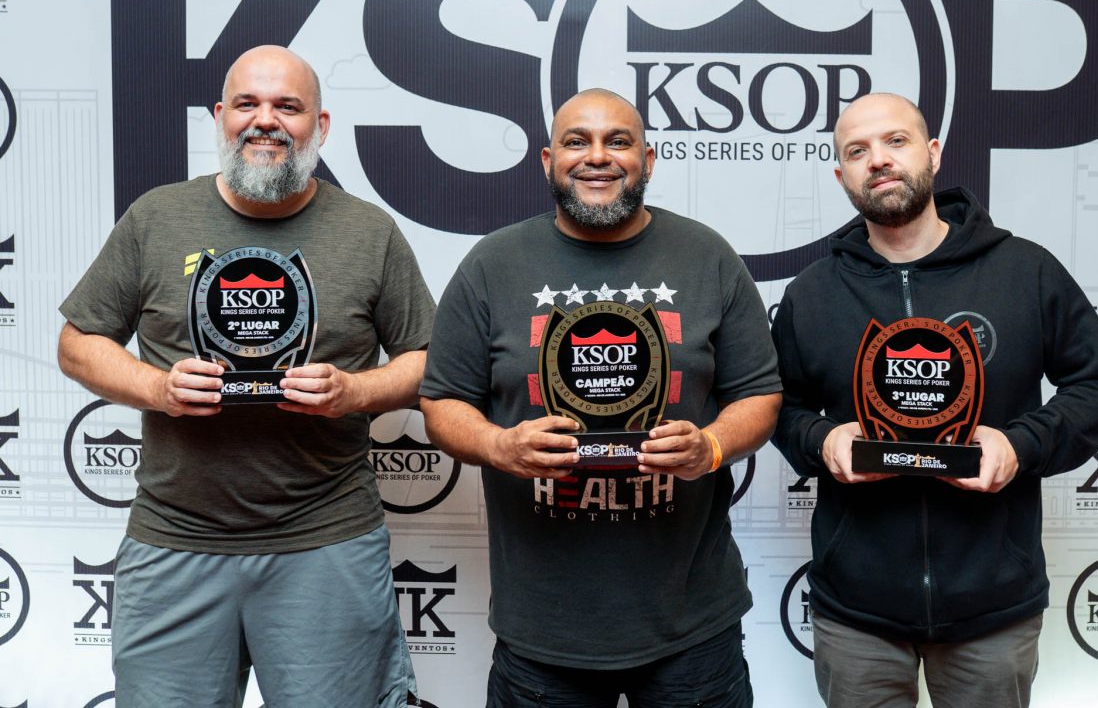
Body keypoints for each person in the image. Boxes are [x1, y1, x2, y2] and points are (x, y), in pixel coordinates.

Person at [57, 45, 435, 707]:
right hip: (175, 541)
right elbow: (77, 342)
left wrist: (355, 391)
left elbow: (429, 360)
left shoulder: (369, 232)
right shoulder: (156, 218)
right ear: (219, 117)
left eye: (287, 106)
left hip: (327, 540)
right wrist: (156, 388)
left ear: (320, 126)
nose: (265, 120)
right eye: (247, 104)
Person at [419, 88, 781, 707]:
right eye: (576, 142)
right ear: (547, 160)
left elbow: (760, 395)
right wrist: (499, 445)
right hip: (542, 632)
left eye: (618, 142)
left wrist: (712, 446)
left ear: (648, 159)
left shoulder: (708, 256)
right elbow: (442, 401)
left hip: (691, 626)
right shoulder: (492, 264)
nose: (597, 157)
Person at [771, 93, 1098, 707]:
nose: (878, 160)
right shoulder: (813, 292)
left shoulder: (1025, 270)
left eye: (896, 141)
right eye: (857, 151)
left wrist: (1020, 445)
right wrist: (822, 438)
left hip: (992, 606)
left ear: (933, 153)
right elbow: (776, 405)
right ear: (841, 176)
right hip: (857, 610)